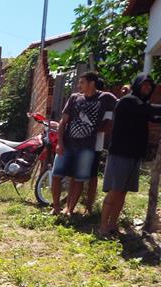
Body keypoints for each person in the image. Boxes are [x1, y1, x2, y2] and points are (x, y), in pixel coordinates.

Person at [99, 74, 161, 236]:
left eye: (150, 86)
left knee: (123, 192)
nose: (147, 88)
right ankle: (103, 226)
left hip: (133, 154)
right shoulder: (129, 100)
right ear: (137, 85)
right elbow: (152, 111)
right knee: (115, 190)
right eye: (144, 85)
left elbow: (154, 118)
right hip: (121, 153)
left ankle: (113, 225)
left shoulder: (142, 104)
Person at [51, 71, 113, 216]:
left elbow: (119, 105)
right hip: (68, 144)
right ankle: (56, 208)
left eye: (82, 82)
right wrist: (59, 143)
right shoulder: (74, 98)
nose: (79, 85)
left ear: (92, 83)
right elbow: (63, 121)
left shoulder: (105, 98)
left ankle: (70, 210)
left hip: (87, 147)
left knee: (79, 179)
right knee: (56, 175)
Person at [84, 78, 117, 215]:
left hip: (94, 146)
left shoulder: (106, 102)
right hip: (80, 144)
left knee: (91, 176)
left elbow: (107, 125)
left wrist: (90, 130)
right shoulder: (83, 100)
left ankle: (89, 206)